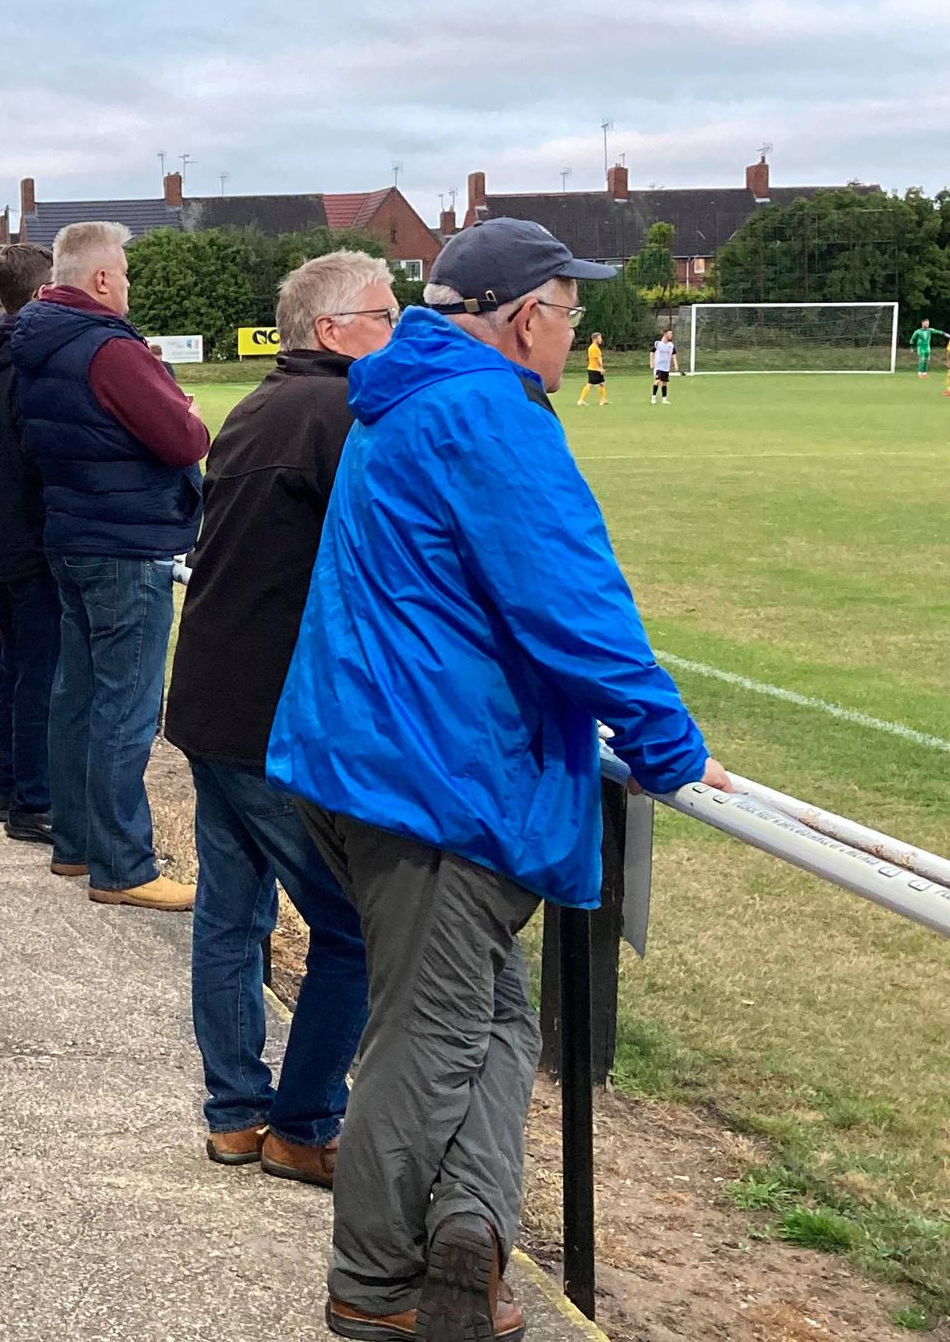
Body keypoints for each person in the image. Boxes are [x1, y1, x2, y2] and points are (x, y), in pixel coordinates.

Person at [267, 218, 729, 1342]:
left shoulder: (404, 396)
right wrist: (667, 746)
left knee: (494, 1027)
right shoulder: (483, 412)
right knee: (428, 1041)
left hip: (373, 764)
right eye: (569, 312)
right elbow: (570, 603)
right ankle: (373, 1287)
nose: (575, 334)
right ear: (525, 314)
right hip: (433, 783)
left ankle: (467, 1234)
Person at [167, 250, 392, 1187]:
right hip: (269, 716)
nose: (401, 329)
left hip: (212, 697)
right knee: (349, 928)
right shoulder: (340, 413)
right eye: (386, 314)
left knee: (231, 914)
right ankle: (302, 1123)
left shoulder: (263, 403)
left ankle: (234, 1114)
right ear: (334, 331)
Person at [11, 221, 204, 913]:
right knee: (126, 706)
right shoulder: (109, 347)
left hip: (71, 532)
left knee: (79, 694)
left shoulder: (36, 341)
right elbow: (184, 438)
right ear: (100, 279)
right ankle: (123, 864)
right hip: (125, 540)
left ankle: (76, 843)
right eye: (123, 273)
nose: (126, 285)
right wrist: (186, 408)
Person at [0, 242, 60, 841]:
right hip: (27, 533)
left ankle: (10, 788)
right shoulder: (25, 362)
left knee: (16, 664)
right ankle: (32, 798)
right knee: (38, 668)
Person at [575, 330, 607, 406]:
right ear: (595, 339)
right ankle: (581, 400)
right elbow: (597, 359)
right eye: (599, 338)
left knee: (602, 383)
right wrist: (601, 368)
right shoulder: (593, 348)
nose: (601, 339)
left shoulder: (595, 347)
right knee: (590, 384)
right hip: (594, 369)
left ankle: (603, 400)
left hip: (595, 369)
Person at [650, 326, 676, 403]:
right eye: (670, 333)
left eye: (671, 334)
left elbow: (673, 354)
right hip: (658, 366)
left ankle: (664, 399)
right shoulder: (658, 344)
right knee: (657, 381)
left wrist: (675, 364)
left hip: (666, 367)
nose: (671, 335)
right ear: (665, 334)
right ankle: (653, 397)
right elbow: (651, 352)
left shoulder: (671, 345)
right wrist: (651, 362)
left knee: (664, 383)